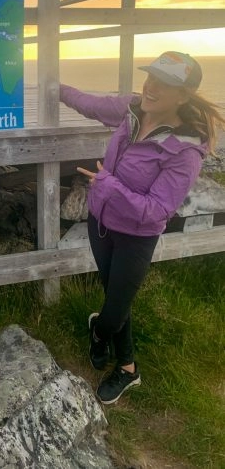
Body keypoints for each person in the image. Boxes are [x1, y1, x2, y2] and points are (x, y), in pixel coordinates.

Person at [59, 51, 225, 405]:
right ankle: (128, 369)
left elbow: (156, 212)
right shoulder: (133, 109)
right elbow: (91, 104)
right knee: (117, 297)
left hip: (136, 237)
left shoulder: (185, 152)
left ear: (183, 96)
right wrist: (53, 88)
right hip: (100, 224)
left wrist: (107, 186)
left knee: (115, 310)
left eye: (163, 85)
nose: (150, 87)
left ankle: (99, 332)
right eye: (150, 77)